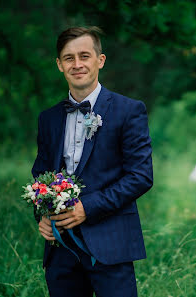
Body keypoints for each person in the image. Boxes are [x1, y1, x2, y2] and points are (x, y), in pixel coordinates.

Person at [32, 26, 153, 297]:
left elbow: (141, 176)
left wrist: (88, 207)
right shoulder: (48, 119)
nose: (77, 64)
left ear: (100, 60)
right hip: (61, 247)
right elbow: (41, 175)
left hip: (111, 242)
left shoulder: (129, 110)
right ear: (59, 65)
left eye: (84, 56)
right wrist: (42, 215)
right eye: (69, 58)